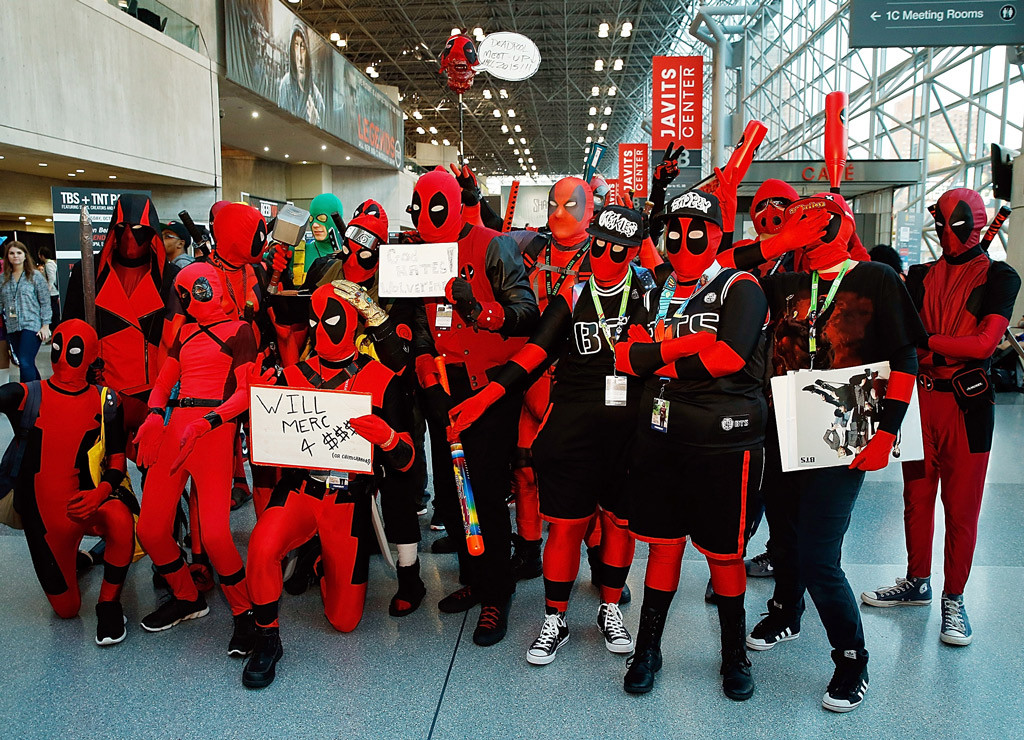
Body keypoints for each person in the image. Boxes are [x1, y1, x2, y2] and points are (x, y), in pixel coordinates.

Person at [730, 193, 925, 713]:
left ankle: (851, 655)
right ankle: (786, 612)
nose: (800, 230)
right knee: (785, 537)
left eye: (810, 223)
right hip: (783, 425)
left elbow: (905, 358)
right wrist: (780, 243)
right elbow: (717, 266)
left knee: (820, 556)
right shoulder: (784, 283)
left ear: (836, 226)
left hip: (845, 431)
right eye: (796, 224)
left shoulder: (876, 278)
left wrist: (887, 433)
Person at [448, 205, 649, 667]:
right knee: (566, 525)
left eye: (618, 250)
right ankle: (555, 617)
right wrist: (486, 397)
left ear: (634, 251)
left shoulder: (648, 293)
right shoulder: (574, 294)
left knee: (618, 523)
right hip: (573, 428)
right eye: (598, 244)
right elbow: (535, 353)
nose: (605, 256)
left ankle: (611, 607)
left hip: (627, 431)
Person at [613, 187, 767, 701]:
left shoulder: (740, 286)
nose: (683, 241)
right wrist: (679, 350)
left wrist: (659, 359)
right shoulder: (656, 286)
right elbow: (626, 352)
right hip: (660, 437)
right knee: (662, 545)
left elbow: (729, 355)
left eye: (696, 231)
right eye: (673, 232)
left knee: (724, 554)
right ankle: (648, 647)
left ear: (719, 235)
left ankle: (733, 653)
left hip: (724, 445)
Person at [862, 188, 1021, 646]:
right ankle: (918, 581)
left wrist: (924, 341)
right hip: (919, 401)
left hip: (967, 405)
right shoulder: (919, 275)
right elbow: (901, 337)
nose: (946, 233)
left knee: (962, 509)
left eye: (954, 224)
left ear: (973, 223)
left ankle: (955, 597)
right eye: (942, 223)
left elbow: (984, 346)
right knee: (915, 498)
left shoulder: (1000, 277)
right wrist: (928, 342)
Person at [243, 285, 417, 689]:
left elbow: (408, 459)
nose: (321, 329)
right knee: (262, 545)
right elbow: (264, 449)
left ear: (353, 323)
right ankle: (267, 637)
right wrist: (250, 406)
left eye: (332, 320)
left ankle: (321, 562)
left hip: (349, 501)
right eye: (315, 320)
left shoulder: (383, 381)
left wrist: (389, 437)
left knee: (344, 621)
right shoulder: (289, 377)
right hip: (301, 491)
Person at [410, 167, 539, 646]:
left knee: (485, 490)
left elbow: (527, 315)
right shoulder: (420, 256)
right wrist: (430, 381)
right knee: (455, 491)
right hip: (446, 389)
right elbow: (422, 329)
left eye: (434, 208)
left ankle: (496, 592)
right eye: (418, 210)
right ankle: (475, 577)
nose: (426, 219)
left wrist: (479, 310)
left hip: (491, 390)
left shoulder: (493, 245)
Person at [134, 263, 258, 655]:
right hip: (177, 427)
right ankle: (187, 597)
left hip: (214, 430)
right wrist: (155, 415)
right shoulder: (185, 332)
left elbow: (245, 393)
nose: (196, 296)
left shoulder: (240, 331)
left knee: (217, 535)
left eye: (201, 288)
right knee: (151, 529)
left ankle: (245, 614)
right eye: (188, 291)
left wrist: (208, 421)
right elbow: (163, 382)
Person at [0, 319, 135, 645]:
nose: (62, 358)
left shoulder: (106, 401)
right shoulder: (27, 395)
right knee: (67, 609)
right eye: (57, 348)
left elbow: (118, 460)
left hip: (90, 506)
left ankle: (109, 604)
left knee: (120, 519)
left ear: (89, 356)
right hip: (44, 522)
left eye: (72, 351)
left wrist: (102, 492)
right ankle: (80, 558)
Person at [64, 194, 185, 453]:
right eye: (123, 229)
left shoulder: (170, 277)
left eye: (140, 230)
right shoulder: (89, 273)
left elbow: (184, 336)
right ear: (112, 231)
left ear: (151, 230)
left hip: (154, 391)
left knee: (155, 464)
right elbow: (70, 328)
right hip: (103, 386)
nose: (131, 238)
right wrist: (81, 368)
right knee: (104, 466)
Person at [0, 241, 52, 382]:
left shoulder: (35, 276)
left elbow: (45, 302)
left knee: (24, 361)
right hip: (12, 327)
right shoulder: (3, 279)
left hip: (32, 325)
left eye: (19, 253)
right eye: (11, 253)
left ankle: (25, 396)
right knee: (26, 363)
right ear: (7, 256)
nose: (15, 256)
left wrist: (45, 325)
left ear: (25, 256)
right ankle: (39, 392)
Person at [277, 20, 324, 126]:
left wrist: (315, 122)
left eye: (302, 47)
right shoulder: (286, 85)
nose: (299, 57)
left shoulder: (317, 98)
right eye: (296, 45)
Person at [38, 246, 61, 326]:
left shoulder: (48, 264)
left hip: (53, 292)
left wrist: (48, 289)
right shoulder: (50, 263)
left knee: (54, 312)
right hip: (54, 291)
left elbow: (51, 278)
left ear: (42, 255)